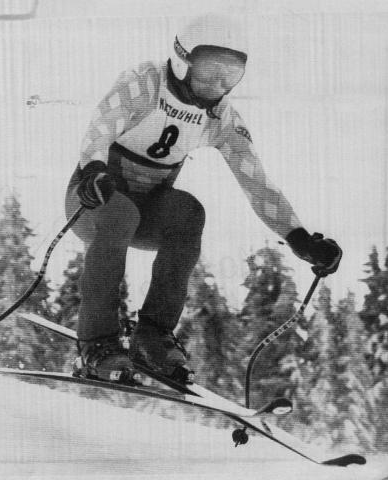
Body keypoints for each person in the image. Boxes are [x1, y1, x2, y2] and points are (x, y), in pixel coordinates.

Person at [65, 14, 342, 384]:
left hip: (144, 211)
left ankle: (153, 336)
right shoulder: (146, 82)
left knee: (188, 212)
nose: (218, 84)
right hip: (93, 200)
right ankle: (96, 344)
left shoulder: (220, 118)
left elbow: (256, 182)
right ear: (183, 59)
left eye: (230, 75)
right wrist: (93, 169)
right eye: (210, 70)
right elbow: (100, 127)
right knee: (120, 213)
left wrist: (299, 238)